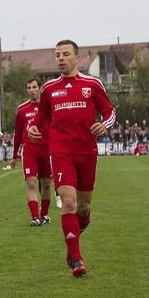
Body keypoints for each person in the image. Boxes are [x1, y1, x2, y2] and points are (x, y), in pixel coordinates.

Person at [28, 39, 116, 277]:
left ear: (77, 57)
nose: (61, 58)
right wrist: (33, 128)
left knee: (84, 208)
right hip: (60, 151)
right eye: (57, 55)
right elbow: (42, 116)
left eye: (66, 54)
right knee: (69, 203)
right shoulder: (49, 88)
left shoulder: (92, 84)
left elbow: (109, 111)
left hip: (87, 151)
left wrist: (104, 125)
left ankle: (72, 242)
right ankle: (76, 259)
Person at [11, 78, 53, 226]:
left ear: (40, 88)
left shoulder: (49, 107)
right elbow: (17, 133)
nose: (32, 90)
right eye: (29, 87)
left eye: (34, 87)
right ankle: (35, 217)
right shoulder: (22, 109)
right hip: (30, 149)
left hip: (47, 148)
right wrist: (14, 154)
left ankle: (45, 214)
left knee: (47, 184)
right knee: (31, 183)